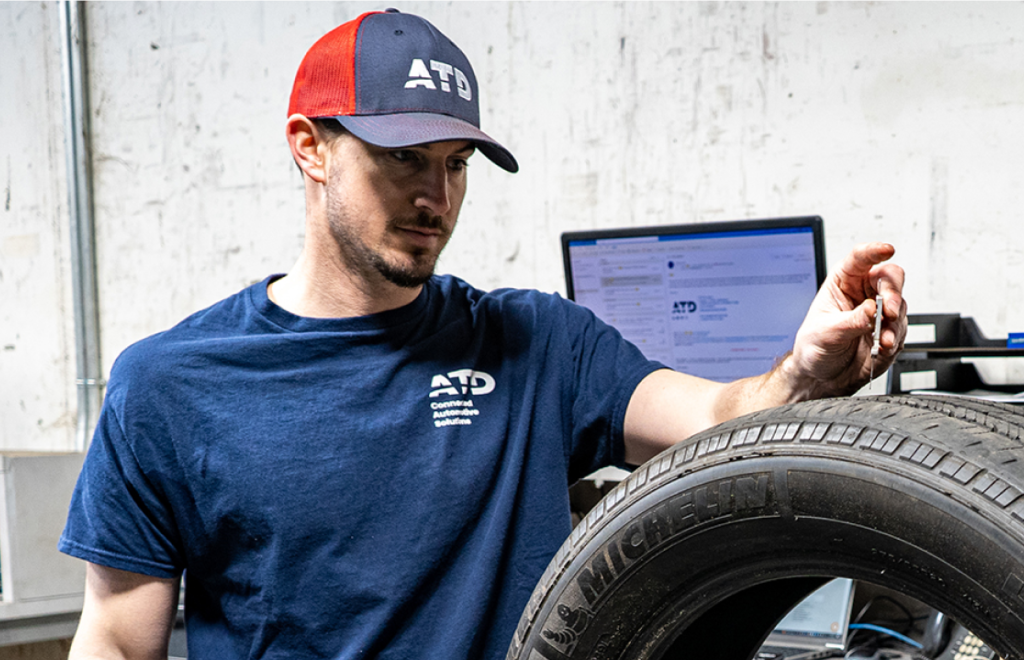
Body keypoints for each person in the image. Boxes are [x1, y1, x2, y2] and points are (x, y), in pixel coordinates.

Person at [59, 9, 908, 660]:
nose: (436, 197)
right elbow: (117, 640)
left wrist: (804, 372)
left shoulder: (534, 343)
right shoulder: (169, 386)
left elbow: (721, 418)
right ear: (311, 148)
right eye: (402, 158)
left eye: (455, 164)